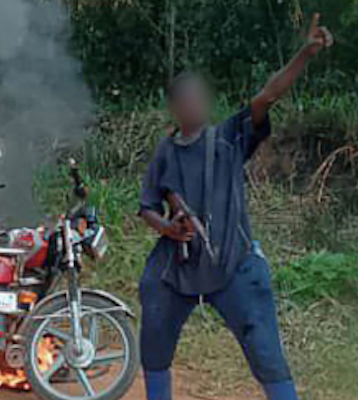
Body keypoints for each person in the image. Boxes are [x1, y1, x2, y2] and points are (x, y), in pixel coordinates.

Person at [137, 14, 334, 400]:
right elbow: (147, 206)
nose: (195, 103)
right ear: (174, 108)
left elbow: (268, 95)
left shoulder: (229, 138)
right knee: (154, 333)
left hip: (233, 262)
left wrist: (304, 55)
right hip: (178, 266)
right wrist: (168, 228)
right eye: (186, 99)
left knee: (266, 354)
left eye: (198, 97)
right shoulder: (165, 152)